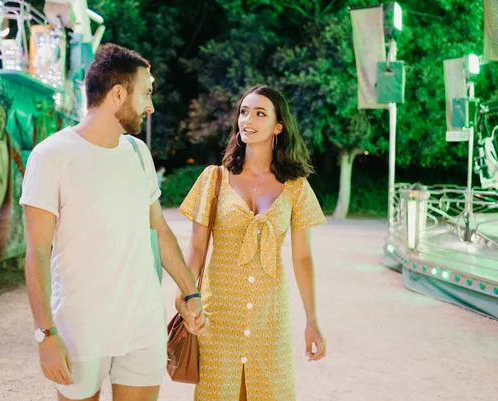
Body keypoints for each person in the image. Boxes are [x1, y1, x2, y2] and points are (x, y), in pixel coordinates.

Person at [20, 43, 206, 401]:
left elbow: (159, 230)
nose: (150, 106)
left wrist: (191, 291)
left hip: (142, 325)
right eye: (146, 93)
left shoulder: (138, 154)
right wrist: (45, 333)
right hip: (80, 327)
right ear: (118, 94)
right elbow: (37, 253)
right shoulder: (51, 156)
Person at [177, 85, 327, 401]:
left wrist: (312, 319)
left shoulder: (296, 187)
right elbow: (197, 249)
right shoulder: (213, 179)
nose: (248, 119)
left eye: (260, 113)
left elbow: (302, 258)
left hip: (270, 315)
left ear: (278, 126)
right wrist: (186, 297)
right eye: (244, 112)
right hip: (219, 315)